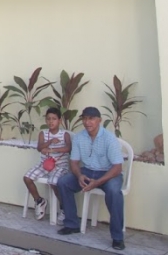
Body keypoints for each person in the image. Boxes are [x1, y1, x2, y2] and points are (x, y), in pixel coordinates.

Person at [57, 106, 126, 251]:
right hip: (87, 171)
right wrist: (79, 175)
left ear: (99, 120)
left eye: (91, 118)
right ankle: (72, 224)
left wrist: (98, 182)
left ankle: (117, 237)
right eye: (85, 118)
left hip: (108, 173)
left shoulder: (109, 138)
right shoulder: (79, 137)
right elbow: (74, 162)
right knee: (63, 182)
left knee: (114, 192)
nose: (88, 122)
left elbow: (117, 168)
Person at [23, 107, 71, 220]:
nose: (51, 121)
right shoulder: (43, 134)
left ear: (60, 120)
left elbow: (68, 148)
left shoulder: (65, 134)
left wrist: (52, 150)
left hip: (60, 166)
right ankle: (39, 201)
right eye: (48, 119)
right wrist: (49, 142)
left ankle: (63, 207)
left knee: (54, 182)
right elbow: (39, 148)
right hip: (44, 165)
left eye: (54, 119)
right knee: (27, 178)